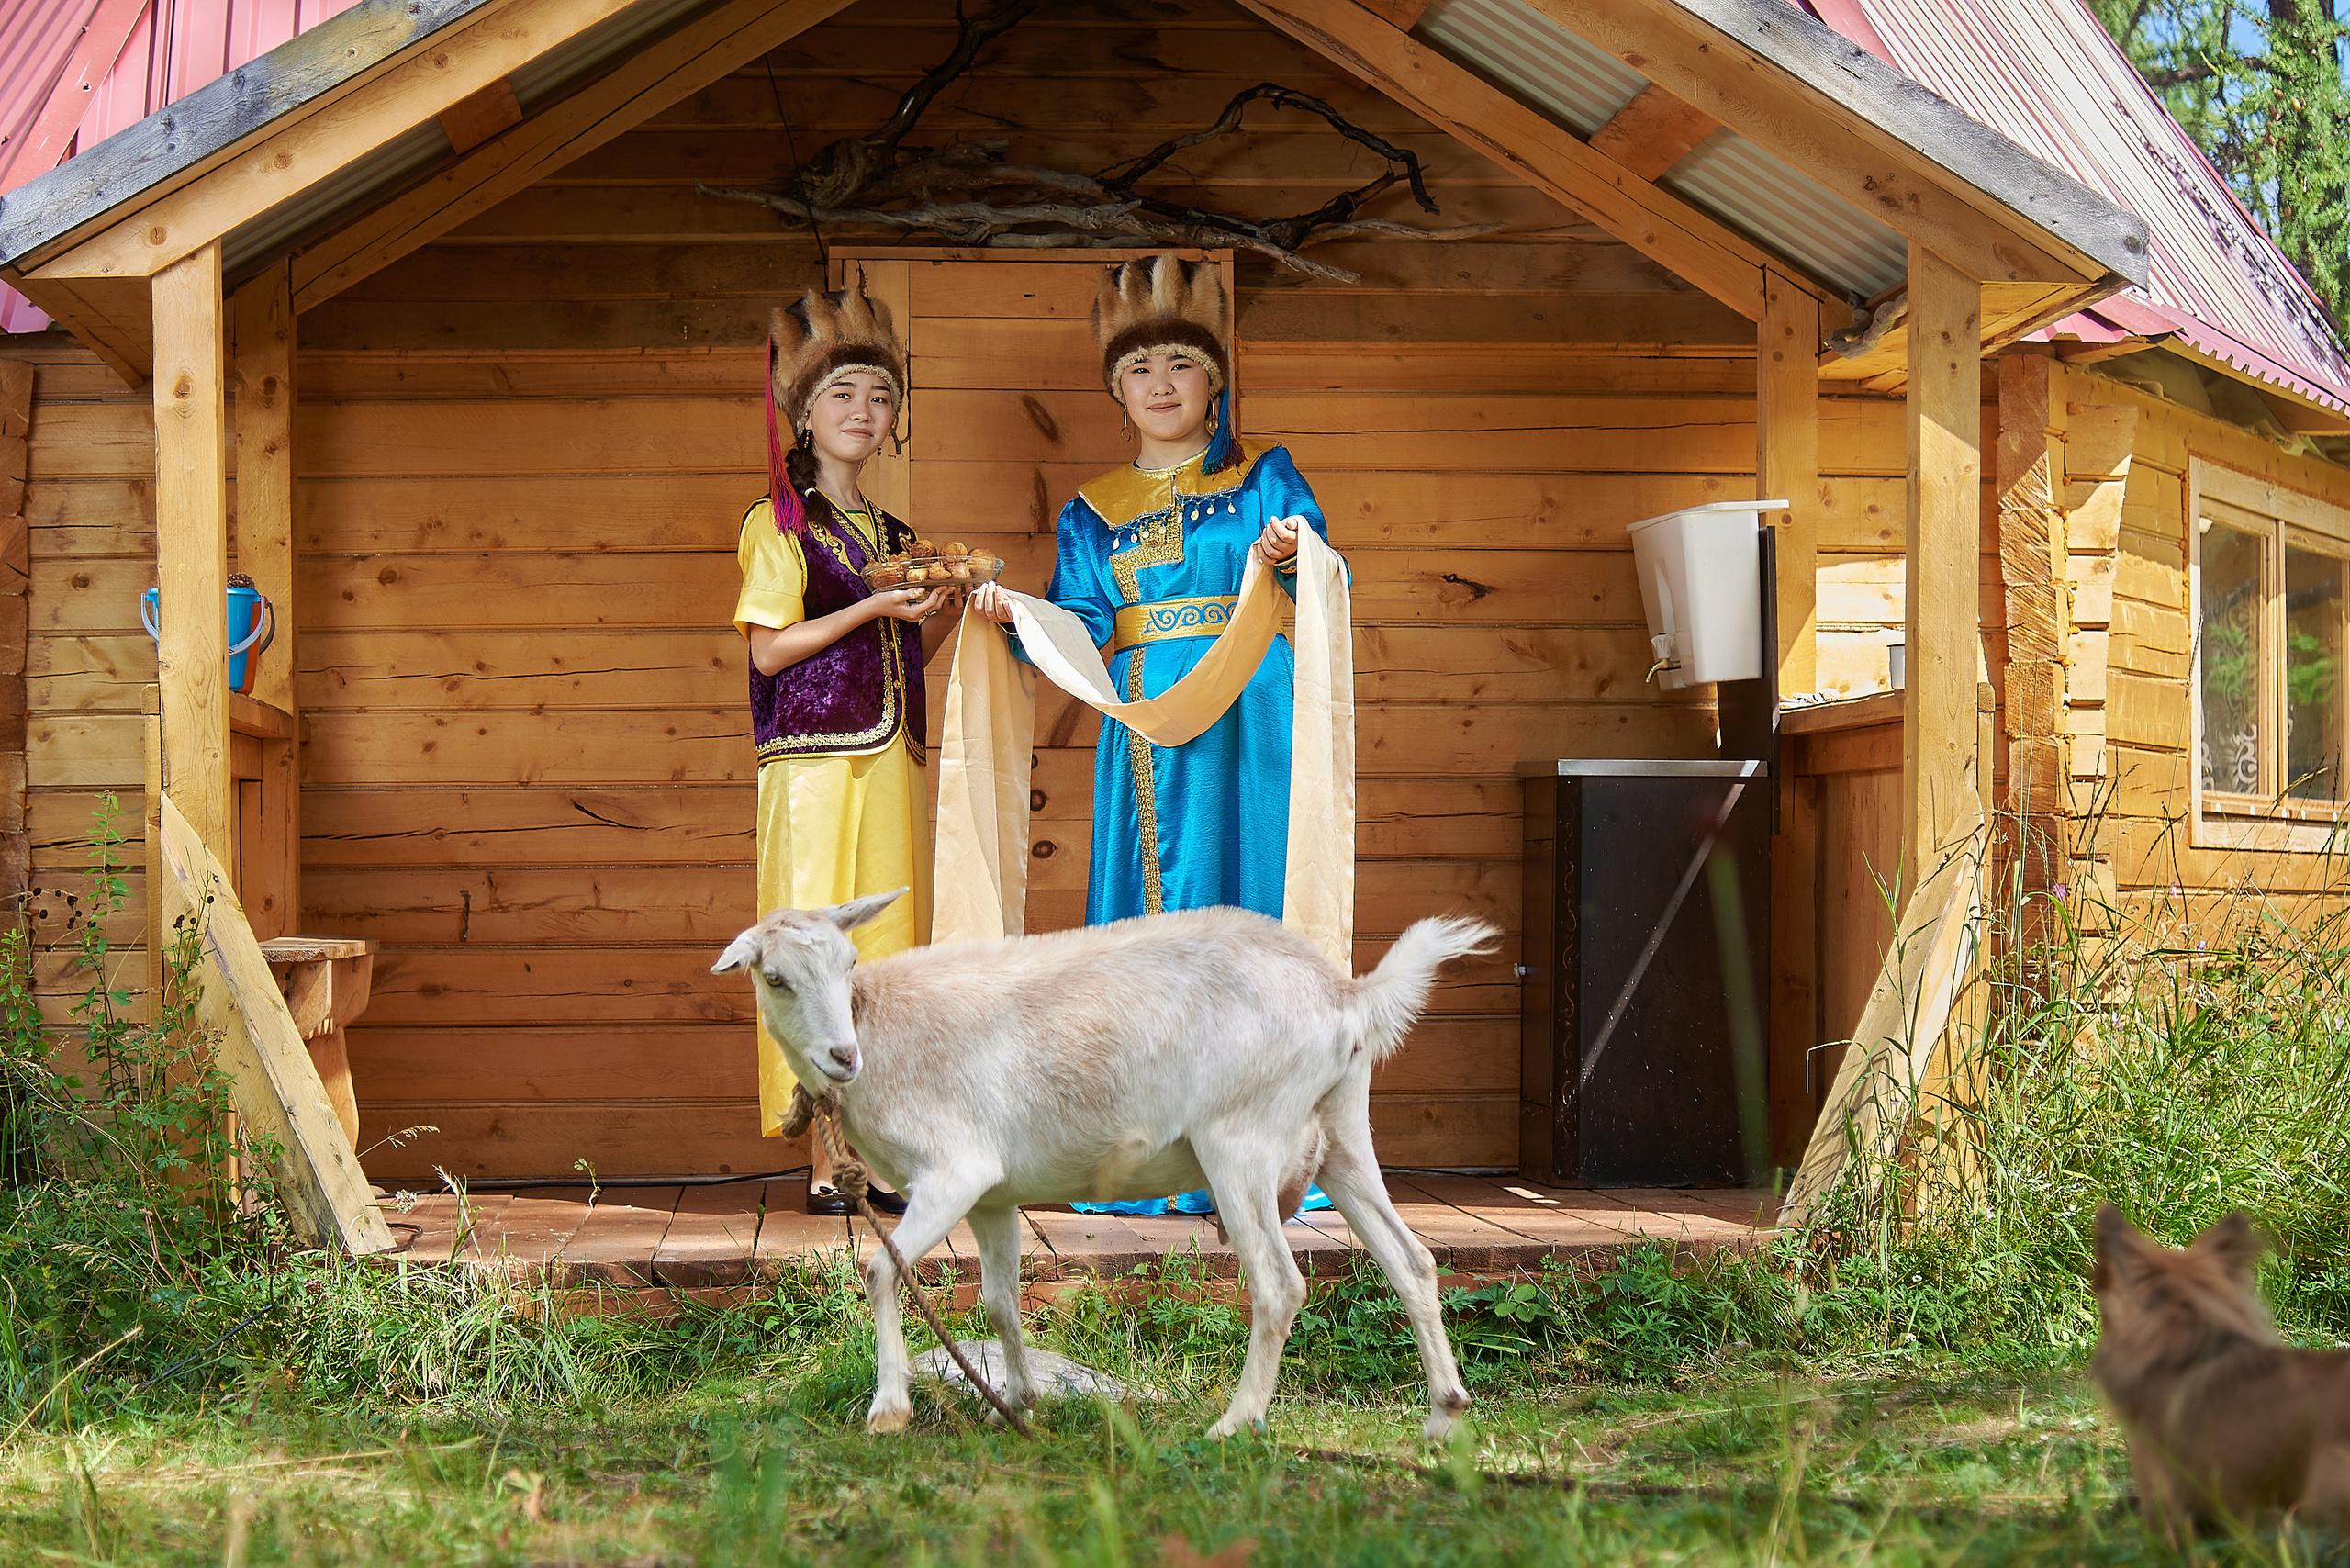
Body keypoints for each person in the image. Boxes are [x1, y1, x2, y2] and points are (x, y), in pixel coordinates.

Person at [969, 255, 1341, 1215]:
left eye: (1181, 364)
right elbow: (1082, 624)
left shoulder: (1265, 476)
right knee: (1153, 936)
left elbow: (1314, 562)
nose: (1162, 385)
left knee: (1255, 918)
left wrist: (1294, 551)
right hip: (1146, 732)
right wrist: (1019, 618)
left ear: (1213, 382)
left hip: (1251, 711)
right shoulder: (1091, 509)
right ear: (1116, 393)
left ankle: (1266, 1154)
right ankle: (1148, 1159)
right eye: (1141, 371)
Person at [735, 284, 958, 1215]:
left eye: (878, 397)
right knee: (815, 955)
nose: (862, 413)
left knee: (891, 958)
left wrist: (939, 615)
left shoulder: (899, 538)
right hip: (813, 766)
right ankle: (824, 1157)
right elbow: (767, 648)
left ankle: (887, 1147)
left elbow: (902, 653)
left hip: (891, 755)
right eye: (842, 397)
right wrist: (871, 604)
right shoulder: (776, 523)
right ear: (805, 415)